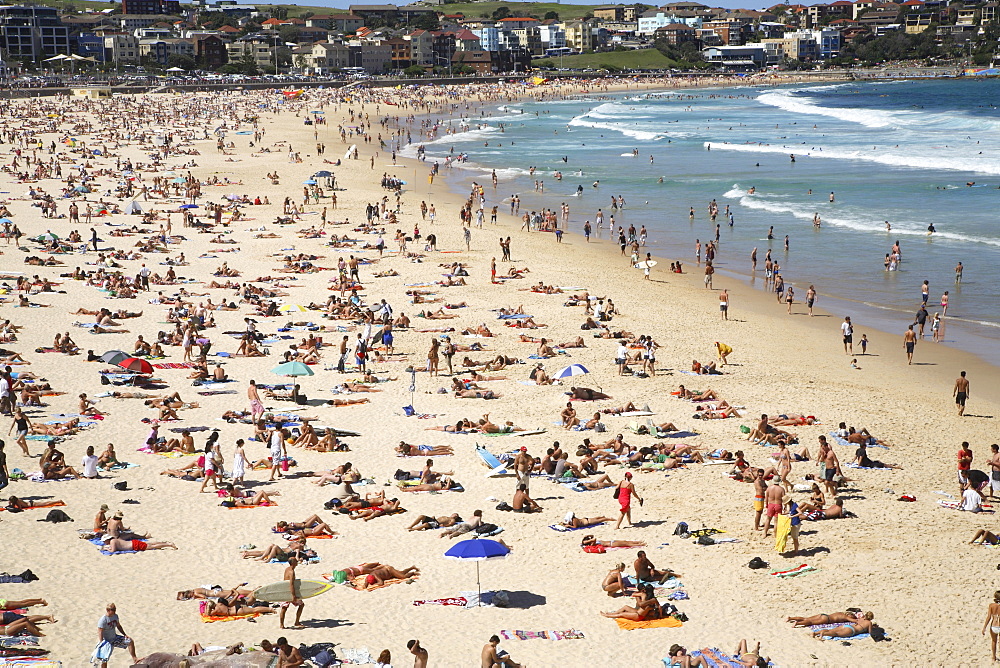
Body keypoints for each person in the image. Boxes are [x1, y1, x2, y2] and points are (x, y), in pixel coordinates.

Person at [93, 603, 138, 667]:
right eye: (113, 609)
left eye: (115, 609)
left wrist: (125, 634)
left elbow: (118, 626)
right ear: (108, 610)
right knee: (104, 659)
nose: (114, 611)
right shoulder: (103, 620)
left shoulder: (115, 616)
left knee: (130, 641)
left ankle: (135, 659)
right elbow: (100, 632)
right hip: (106, 641)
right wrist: (101, 642)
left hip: (114, 638)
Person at [279, 557, 305, 629]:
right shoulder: (291, 572)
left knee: (284, 608)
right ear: (293, 563)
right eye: (296, 561)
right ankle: (296, 622)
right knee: (301, 605)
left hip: (284, 591)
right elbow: (291, 584)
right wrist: (293, 595)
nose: (297, 561)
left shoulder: (287, 569)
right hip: (290, 592)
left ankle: (281, 625)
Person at [984, 591, 1000, 661]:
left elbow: (989, 617)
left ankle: (994, 657)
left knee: (994, 641)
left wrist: (984, 627)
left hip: (993, 626)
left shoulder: (991, 605)